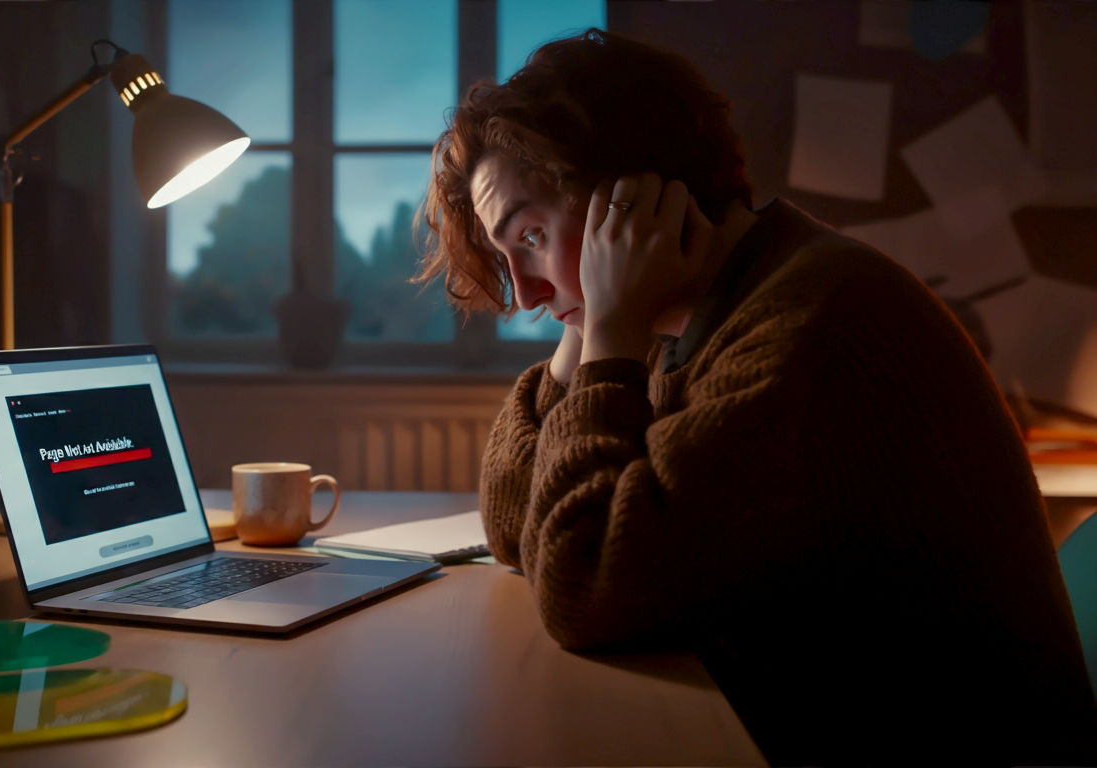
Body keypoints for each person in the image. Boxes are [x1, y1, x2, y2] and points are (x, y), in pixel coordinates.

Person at [416, 28, 1097, 765]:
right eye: (506, 255)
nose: (523, 295)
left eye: (531, 237)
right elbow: (513, 524)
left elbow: (583, 584)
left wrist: (607, 331)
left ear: (633, 198)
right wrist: (587, 331)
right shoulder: (704, 310)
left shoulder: (811, 327)